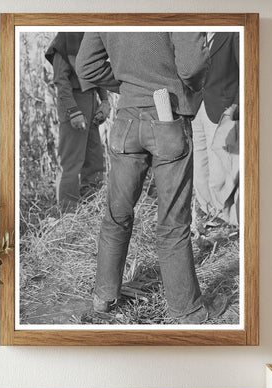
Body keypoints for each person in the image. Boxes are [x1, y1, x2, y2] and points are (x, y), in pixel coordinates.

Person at [76, 32, 227, 324]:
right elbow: (192, 66)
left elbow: (86, 66)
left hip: (126, 122)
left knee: (116, 215)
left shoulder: (108, 9)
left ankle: (103, 299)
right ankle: (188, 311)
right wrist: (188, 90)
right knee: (172, 223)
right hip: (168, 119)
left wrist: (127, 83)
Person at [45, 32, 111, 212]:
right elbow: (61, 81)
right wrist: (73, 111)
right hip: (73, 102)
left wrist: (104, 101)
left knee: (95, 161)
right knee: (71, 164)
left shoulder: (91, 36)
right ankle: (68, 216)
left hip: (91, 102)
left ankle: (91, 210)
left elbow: (98, 71)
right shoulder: (64, 40)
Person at [192, 32, 240, 226]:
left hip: (222, 109)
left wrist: (236, 106)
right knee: (199, 165)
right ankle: (208, 212)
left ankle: (226, 216)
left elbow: (245, 70)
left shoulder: (232, 33)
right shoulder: (194, 34)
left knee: (220, 169)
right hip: (196, 108)